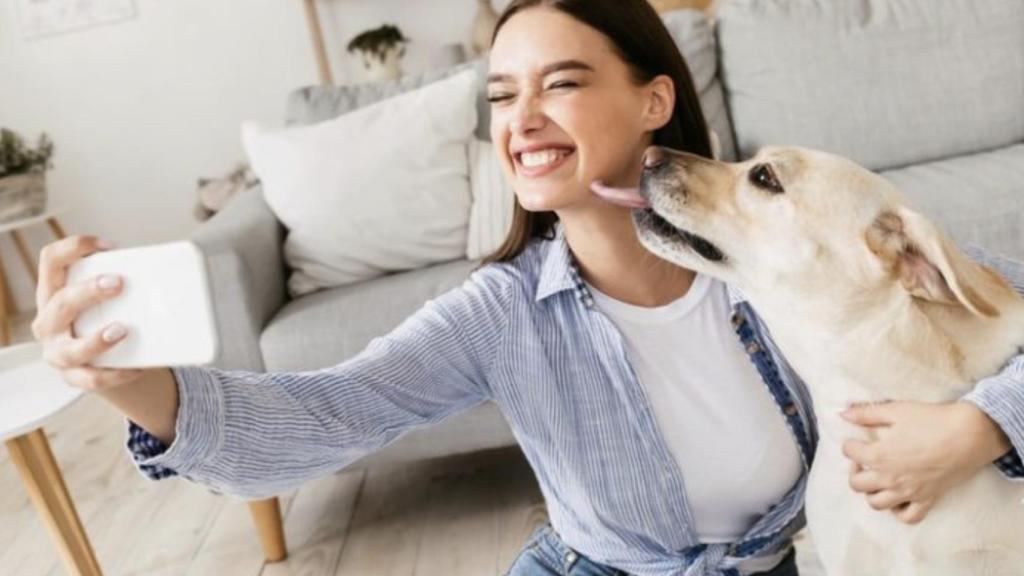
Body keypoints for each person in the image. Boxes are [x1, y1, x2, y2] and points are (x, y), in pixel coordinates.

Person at [31, 1, 1024, 575]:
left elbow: (995, 324)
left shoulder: (779, 253)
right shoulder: (501, 314)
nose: (521, 117)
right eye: (501, 94)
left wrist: (981, 427)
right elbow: (323, 415)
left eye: (559, 81)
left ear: (653, 100)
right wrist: (130, 386)